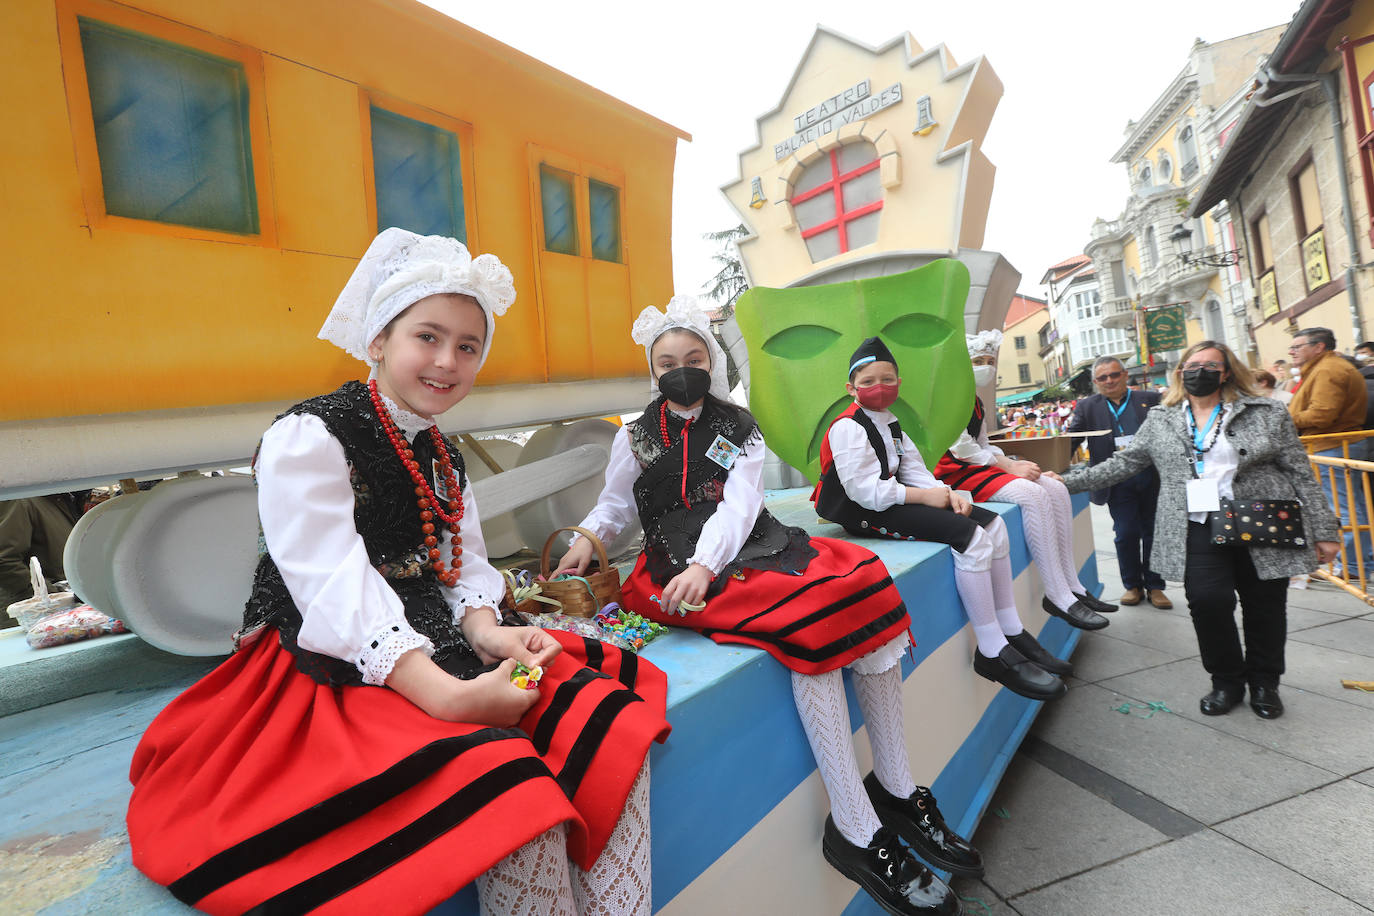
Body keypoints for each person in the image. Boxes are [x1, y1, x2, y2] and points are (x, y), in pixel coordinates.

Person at [125, 230, 671, 916]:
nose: (448, 360)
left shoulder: (441, 453)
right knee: (505, 796)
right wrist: (446, 697)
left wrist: (490, 632)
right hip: (329, 661)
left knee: (609, 721)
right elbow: (332, 586)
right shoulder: (312, 436)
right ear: (378, 340)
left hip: (437, 638)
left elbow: (462, 565)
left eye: (468, 346)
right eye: (428, 336)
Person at [560, 299, 974, 916]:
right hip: (671, 568)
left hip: (740, 549)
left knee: (864, 584)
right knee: (813, 628)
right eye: (667, 362)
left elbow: (739, 504)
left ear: (712, 361)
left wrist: (709, 562)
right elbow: (616, 507)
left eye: (694, 359)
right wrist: (583, 544)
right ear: (652, 368)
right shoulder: (635, 435)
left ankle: (895, 786)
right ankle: (856, 828)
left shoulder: (739, 427)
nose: (681, 370)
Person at [1063, 341, 1338, 719]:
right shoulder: (1162, 417)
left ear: (1227, 371)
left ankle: (1264, 683)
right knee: (1207, 601)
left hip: (1261, 520)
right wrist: (1060, 482)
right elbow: (1125, 463)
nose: (1200, 372)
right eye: (1192, 365)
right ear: (1180, 373)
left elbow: (1300, 472)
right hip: (1198, 523)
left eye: (1210, 365)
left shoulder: (1267, 411)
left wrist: (1325, 530)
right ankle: (1226, 680)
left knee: (1265, 606)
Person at [810, 335, 1073, 699]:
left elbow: (913, 468)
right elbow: (864, 492)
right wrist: (924, 497)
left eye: (887, 379)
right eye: (868, 381)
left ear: (899, 383)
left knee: (993, 525)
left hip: (893, 497)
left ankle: (1011, 628)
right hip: (862, 510)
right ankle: (992, 648)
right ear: (851, 386)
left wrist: (947, 495)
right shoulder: (848, 427)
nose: (879, 388)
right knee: (971, 539)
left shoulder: (891, 422)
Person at [934, 330, 1114, 631]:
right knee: (1033, 495)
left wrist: (1010, 463)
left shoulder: (973, 398)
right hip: (954, 472)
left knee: (1054, 487)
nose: (986, 366)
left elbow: (982, 444)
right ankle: (1056, 594)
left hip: (976, 465)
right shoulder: (947, 393)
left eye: (990, 360)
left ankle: (1072, 585)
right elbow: (961, 447)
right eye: (979, 360)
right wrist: (1007, 464)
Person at [1065, 356, 1172, 609]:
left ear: (1125, 375)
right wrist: (1053, 466)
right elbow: (1072, 439)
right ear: (1095, 382)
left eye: (1114, 375)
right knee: (1125, 534)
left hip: (1151, 477)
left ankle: (1156, 587)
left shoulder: (1150, 399)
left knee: (1154, 532)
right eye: (1102, 378)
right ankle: (1132, 585)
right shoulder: (1087, 406)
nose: (1109, 381)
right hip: (1115, 481)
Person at [1288, 327, 1370, 574]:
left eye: (1297, 346)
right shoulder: (1324, 368)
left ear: (1319, 347)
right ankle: (1358, 562)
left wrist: (1285, 418)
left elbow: (1321, 415)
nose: (1292, 352)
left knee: (1343, 507)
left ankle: (1354, 565)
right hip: (1333, 444)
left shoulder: (1328, 369)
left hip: (1333, 445)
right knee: (1350, 504)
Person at [0, 494, 84, 619]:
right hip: (36, 616)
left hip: (63, 610)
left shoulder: (64, 496)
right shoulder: (21, 500)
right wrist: (54, 596)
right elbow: (5, 560)